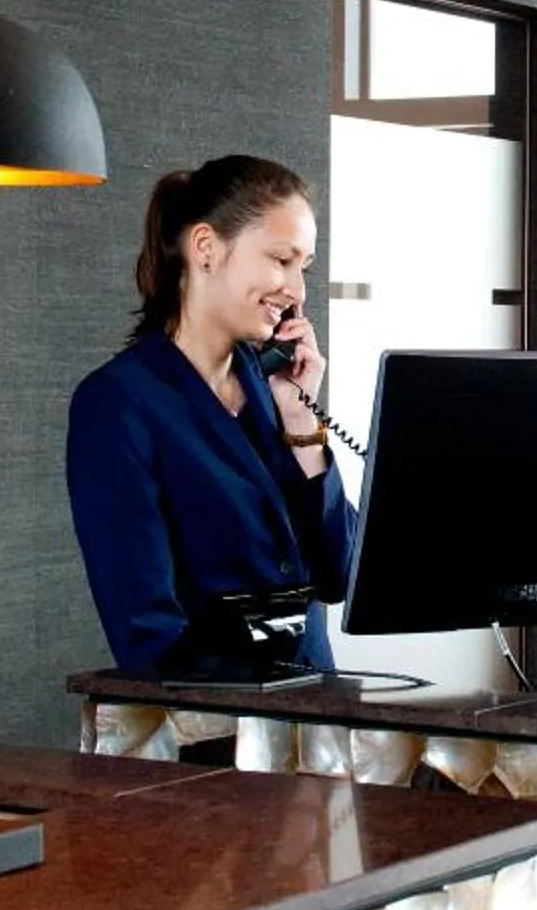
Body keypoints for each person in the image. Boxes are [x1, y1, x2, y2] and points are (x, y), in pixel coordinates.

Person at [67, 154, 355, 677]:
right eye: (280, 259)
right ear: (205, 247)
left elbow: (342, 575)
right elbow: (146, 635)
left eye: (303, 267)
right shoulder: (118, 403)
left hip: (319, 720)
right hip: (215, 732)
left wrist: (302, 427)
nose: (297, 290)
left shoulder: (275, 391)